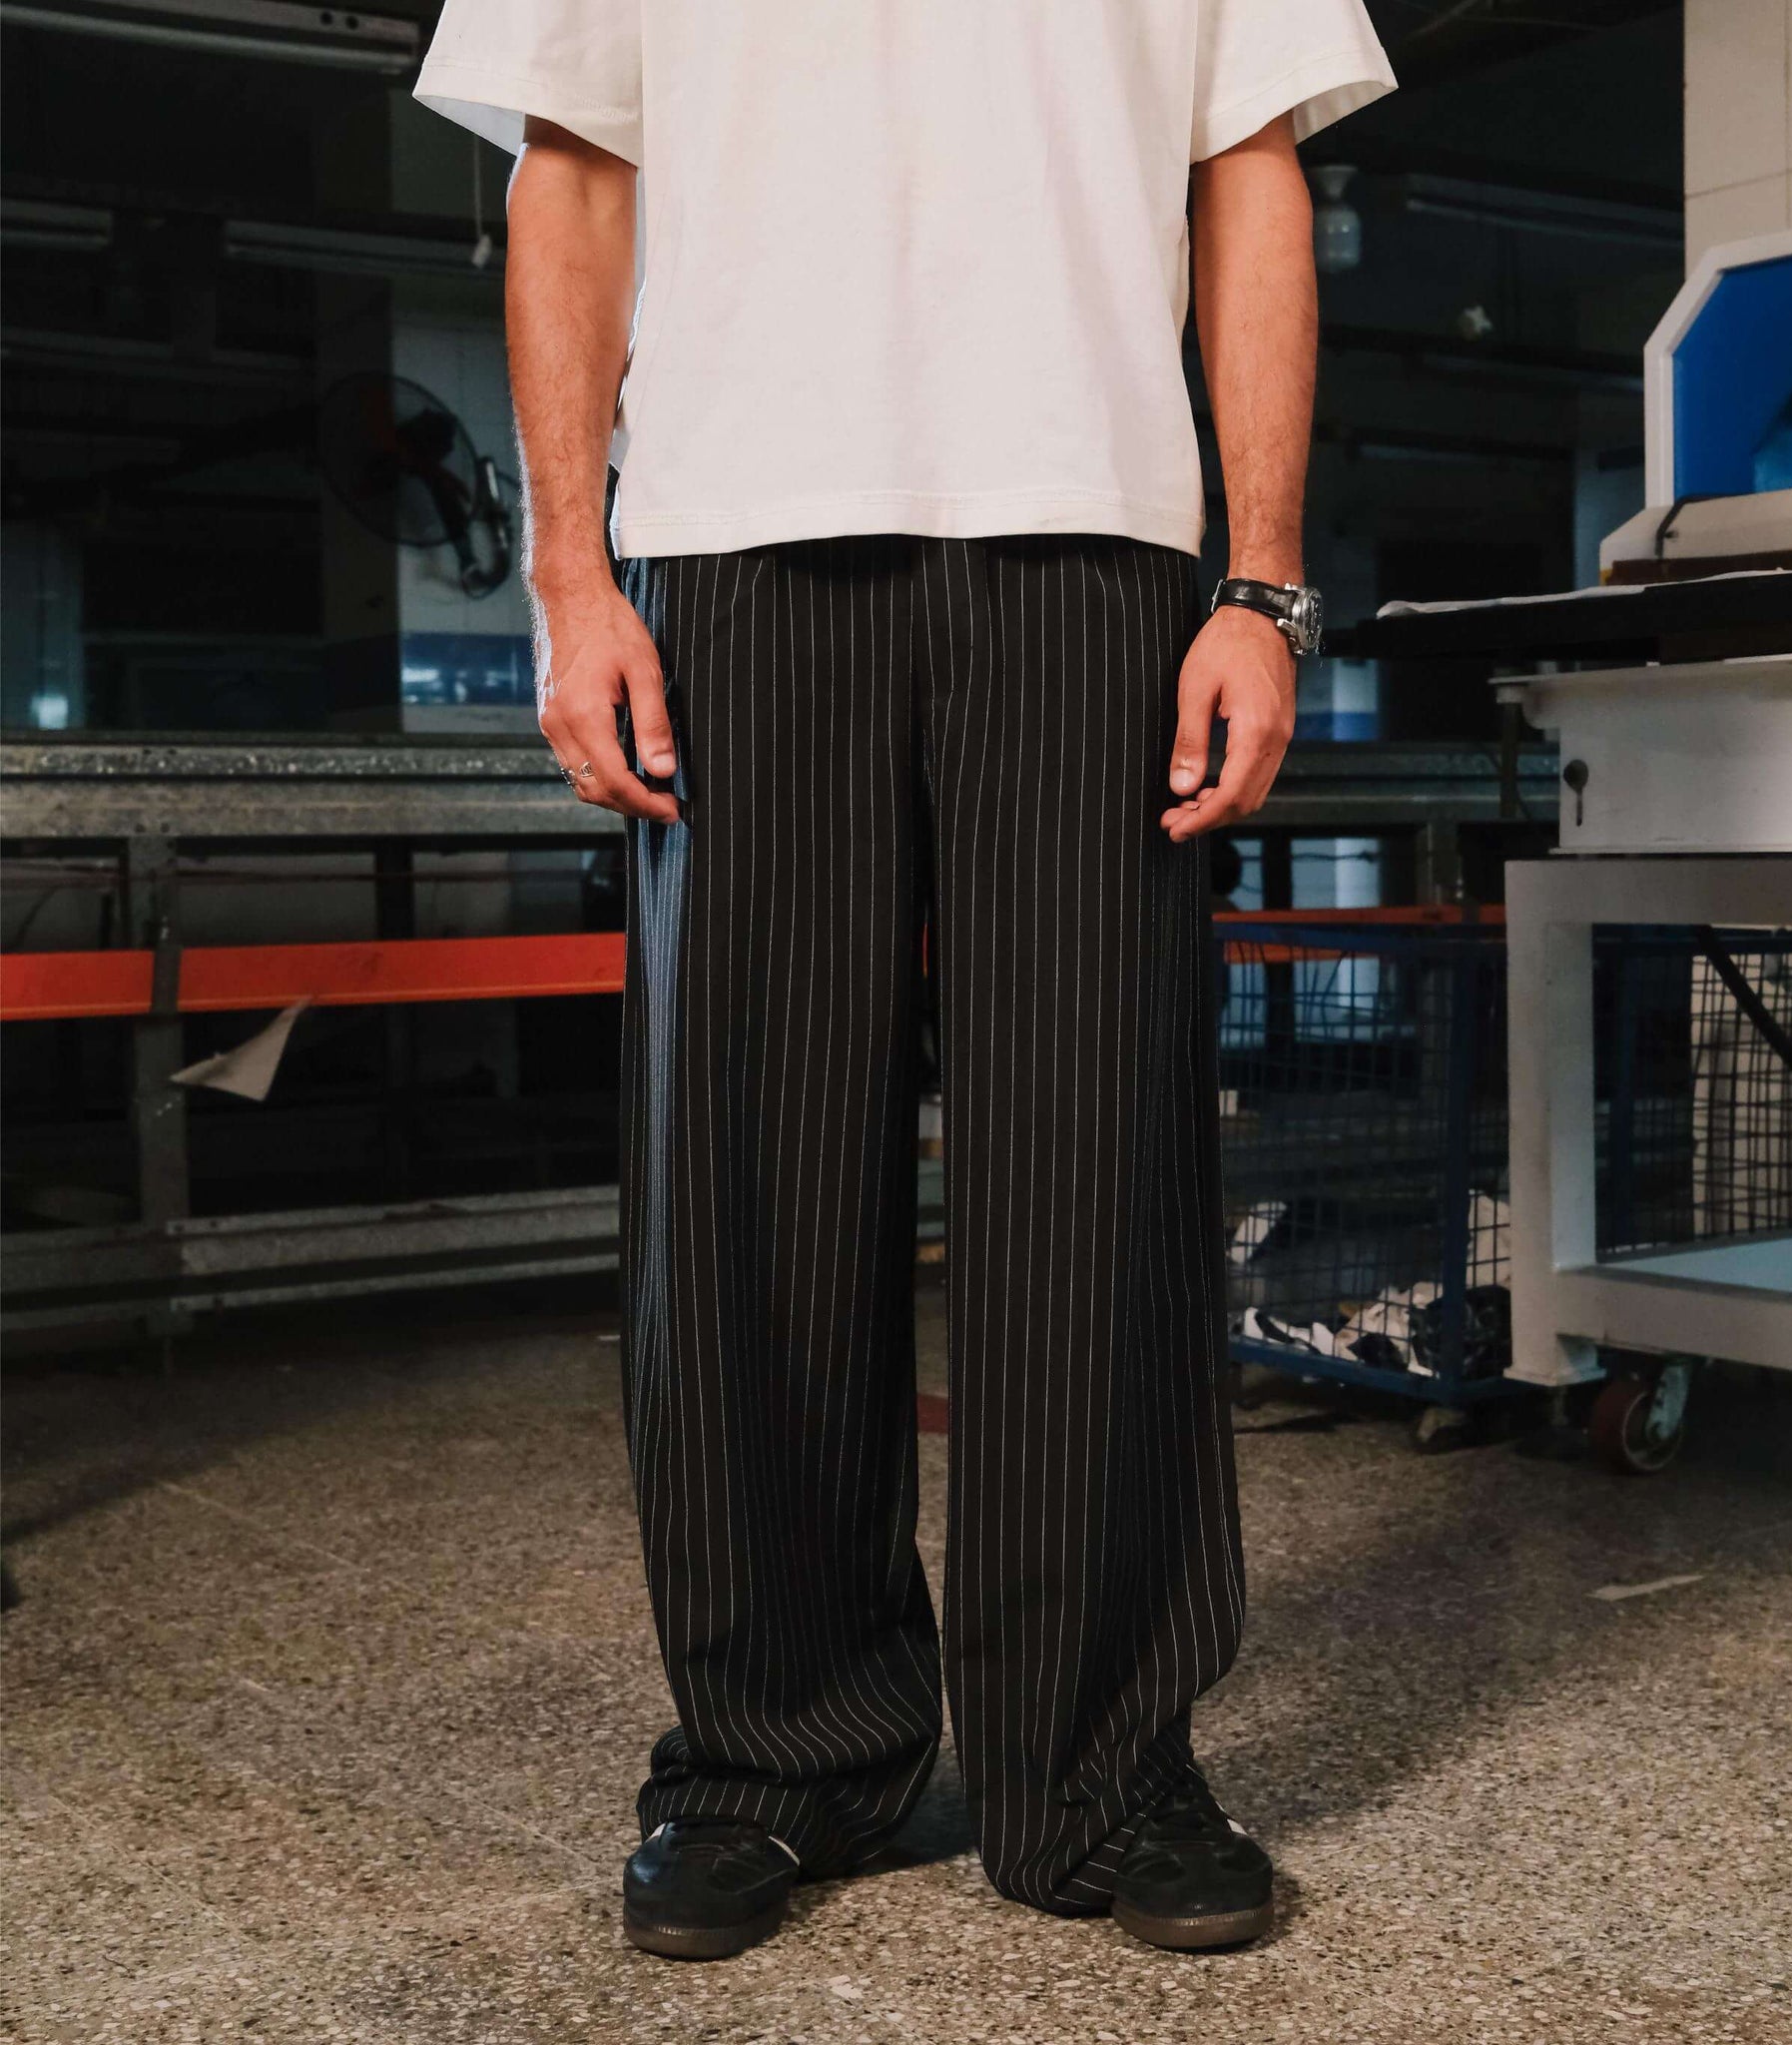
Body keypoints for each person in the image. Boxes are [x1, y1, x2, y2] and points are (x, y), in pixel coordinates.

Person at [414, 0, 1394, 1960]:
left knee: (1094, 1165)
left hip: (1095, 539)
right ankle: (777, 1753)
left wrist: (1263, 586)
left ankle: (1102, 1765)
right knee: (749, 1179)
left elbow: (1251, 172)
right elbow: (571, 176)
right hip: (733, 543)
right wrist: (571, 582)